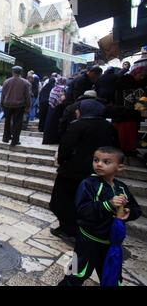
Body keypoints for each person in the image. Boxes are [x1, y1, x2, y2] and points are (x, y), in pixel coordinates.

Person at [58, 147, 142, 286]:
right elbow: (82, 210)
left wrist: (128, 212)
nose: (99, 164)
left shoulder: (122, 188)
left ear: (119, 167)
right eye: (96, 160)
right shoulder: (88, 184)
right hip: (87, 239)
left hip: (111, 243)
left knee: (111, 276)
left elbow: (136, 209)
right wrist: (107, 205)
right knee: (76, 273)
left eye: (106, 162)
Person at [50, 99, 120, 240]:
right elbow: (116, 148)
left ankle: (69, 230)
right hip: (98, 173)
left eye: (78, 109)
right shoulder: (108, 127)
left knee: (61, 201)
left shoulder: (77, 126)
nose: (76, 112)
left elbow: (65, 148)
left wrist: (62, 161)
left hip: (72, 172)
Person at [1, 66, 31, 146]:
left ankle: (6, 138)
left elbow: (3, 95)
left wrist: (2, 105)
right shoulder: (25, 82)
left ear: (12, 72)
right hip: (19, 105)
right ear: (21, 72)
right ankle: (15, 140)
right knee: (17, 123)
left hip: (7, 104)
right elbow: (27, 96)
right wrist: (28, 106)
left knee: (7, 122)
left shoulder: (6, 82)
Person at [42, 77, 68, 145]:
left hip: (51, 108)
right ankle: (54, 140)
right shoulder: (64, 89)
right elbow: (62, 99)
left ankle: (47, 140)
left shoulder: (53, 88)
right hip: (58, 109)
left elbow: (51, 99)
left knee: (49, 124)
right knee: (56, 125)